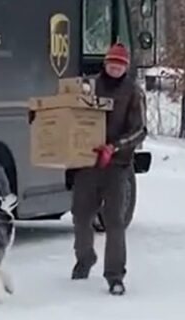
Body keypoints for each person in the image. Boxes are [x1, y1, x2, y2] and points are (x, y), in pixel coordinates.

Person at [70, 43, 147, 296]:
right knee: (81, 216)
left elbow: (140, 130)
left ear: (125, 67)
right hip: (87, 163)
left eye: (120, 64)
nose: (115, 68)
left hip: (117, 166)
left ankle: (115, 275)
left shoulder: (133, 92)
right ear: (105, 64)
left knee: (114, 222)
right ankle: (85, 258)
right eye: (112, 63)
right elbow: (67, 112)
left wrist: (114, 147)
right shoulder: (88, 86)